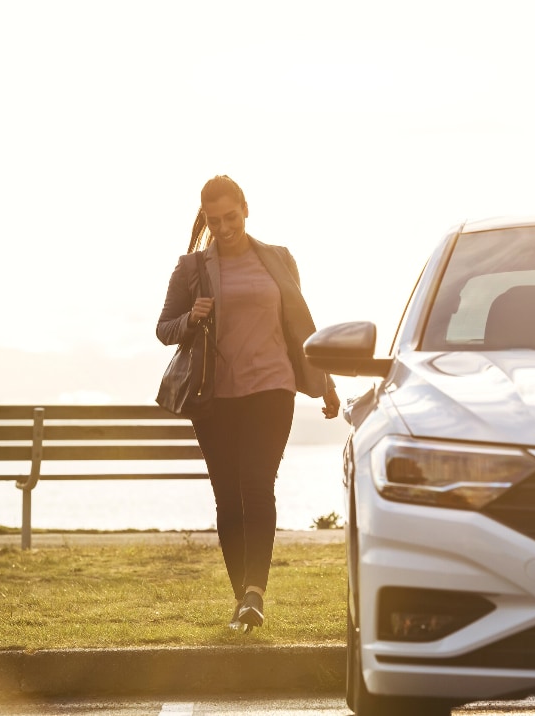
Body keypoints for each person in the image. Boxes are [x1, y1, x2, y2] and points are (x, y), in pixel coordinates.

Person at [156, 175, 340, 632]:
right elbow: (164, 329)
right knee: (227, 495)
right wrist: (191, 318)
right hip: (214, 397)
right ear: (206, 219)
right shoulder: (191, 268)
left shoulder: (279, 258)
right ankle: (243, 598)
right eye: (214, 220)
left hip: (271, 388)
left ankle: (255, 591)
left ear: (246, 209)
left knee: (257, 484)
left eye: (231, 217)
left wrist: (326, 381)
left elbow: (301, 325)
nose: (224, 227)